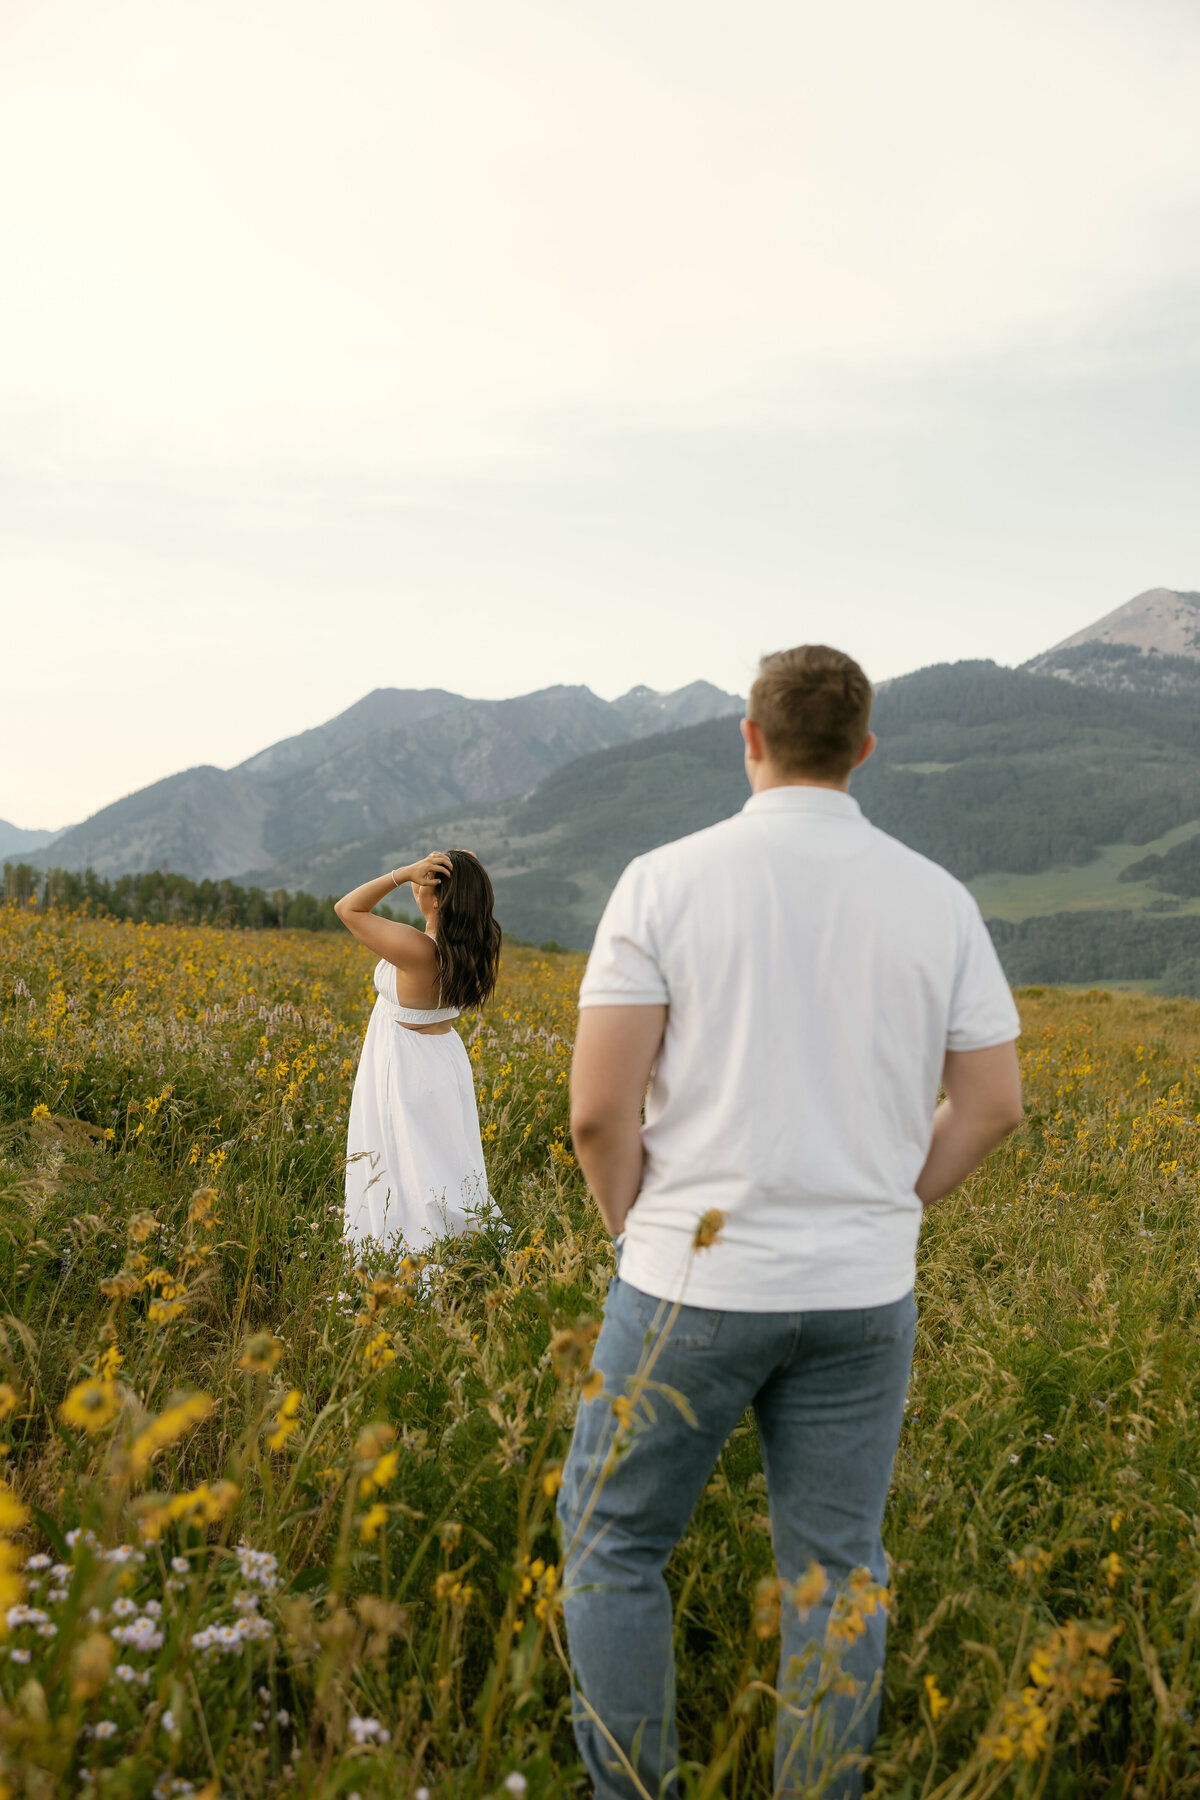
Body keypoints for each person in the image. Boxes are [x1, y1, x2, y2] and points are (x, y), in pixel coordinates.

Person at [559, 644, 1023, 1800]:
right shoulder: (938, 899)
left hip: (688, 1287)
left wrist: (640, 1231)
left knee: (613, 1549)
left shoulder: (664, 880)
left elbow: (597, 1114)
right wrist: (886, 1201)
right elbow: (994, 1107)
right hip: (864, 1293)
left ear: (750, 739)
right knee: (837, 1576)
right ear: (865, 749)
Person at [335, 849, 501, 1253]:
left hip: (405, 1063)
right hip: (443, 1059)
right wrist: (464, 869)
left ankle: (412, 1247)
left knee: (404, 1163)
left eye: (426, 879)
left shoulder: (418, 950)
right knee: (442, 1158)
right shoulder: (475, 943)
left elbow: (347, 908)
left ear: (439, 898)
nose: (418, 880)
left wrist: (401, 873)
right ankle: (459, 1243)